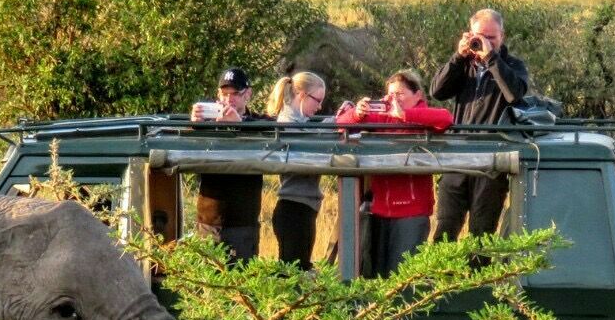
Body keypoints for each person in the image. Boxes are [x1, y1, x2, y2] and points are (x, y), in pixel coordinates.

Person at [337, 69, 453, 276]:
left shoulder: (422, 117)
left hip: (412, 212)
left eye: (400, 94)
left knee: (403, 276)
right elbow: (340, 125)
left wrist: (405, 115)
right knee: (376, 275)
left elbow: (445, 118)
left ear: (417, 95)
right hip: (380, 210)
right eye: (390, 94)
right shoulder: (382, 116)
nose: (394, 99)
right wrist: (357, 113)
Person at [428, 7, 530, 240]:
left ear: (502, 36)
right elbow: (437, 91)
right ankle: (443, 267)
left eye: (491, 37)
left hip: (490, 163)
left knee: (481, 234)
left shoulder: (514, 66)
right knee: (444, 231)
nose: (484, 42)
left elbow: (514, 94)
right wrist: (458, 57)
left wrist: (491, 58)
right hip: (457, 158)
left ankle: (478, 267)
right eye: (479, 36)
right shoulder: (464, 64)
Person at [191, 67, 261, 262]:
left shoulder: (260, 122)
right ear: (217, 94)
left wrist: (240, 126)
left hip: (243, 222)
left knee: (242, 278)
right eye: (224, 94)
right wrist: (195, 126)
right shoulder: (208, 122)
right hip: (208, 220)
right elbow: (188, 152)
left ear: (248, 94)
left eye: (235, 94)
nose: (229, 99)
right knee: (206, 277)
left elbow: (269, 144)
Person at [269, 71, 328, 267]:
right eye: (317, 100)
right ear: (302, 95)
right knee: (294, 273)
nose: (319, 107)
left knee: (298, 269)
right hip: (294, 208)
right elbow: (310, 145)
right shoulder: (288, 124)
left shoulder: (299, 124)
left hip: (301, 207)